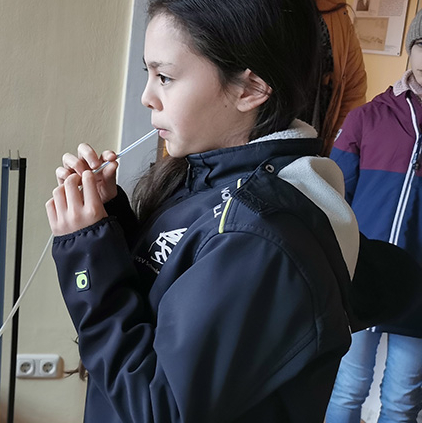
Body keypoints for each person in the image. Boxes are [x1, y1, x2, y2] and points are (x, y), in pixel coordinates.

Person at [45, 0, 359, 421]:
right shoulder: (211, 178)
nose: (146, 97)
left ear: (249, 89)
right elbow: (173, 291)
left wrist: (86, 253)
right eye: (148, 73)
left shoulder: (258, 236)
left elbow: (160, 408)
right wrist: (109, 217)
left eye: (166, 77)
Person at [324, 12, 422, 423]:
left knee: (403, 399)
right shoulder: (366, 118)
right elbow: (331, 195)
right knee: (347, 388)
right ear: (413, 48)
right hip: (363, 273)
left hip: (420, 285)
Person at [313, 0, 367, 156]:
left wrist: (335, 153)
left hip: (314, 148)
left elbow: (352, 91)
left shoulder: (335, 12)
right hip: (253, 149)